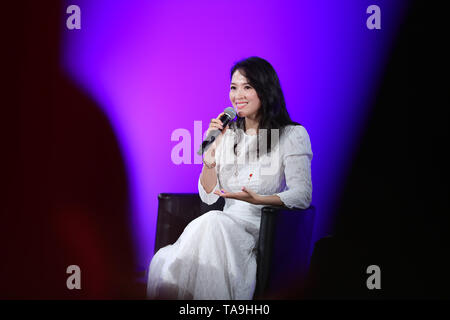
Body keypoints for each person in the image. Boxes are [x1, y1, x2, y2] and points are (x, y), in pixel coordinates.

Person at [147, 56, 313, 299]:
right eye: (233, 88)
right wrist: (210, 156)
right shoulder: (228, 134)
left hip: (259, 231)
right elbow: (209, 194)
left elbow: (302, 195)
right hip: (222, 228)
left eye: (247, 87)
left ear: (265, 90)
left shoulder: (292, 135)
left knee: (210, 225)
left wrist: (260, 199)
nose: (238, 95)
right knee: (211, 223)